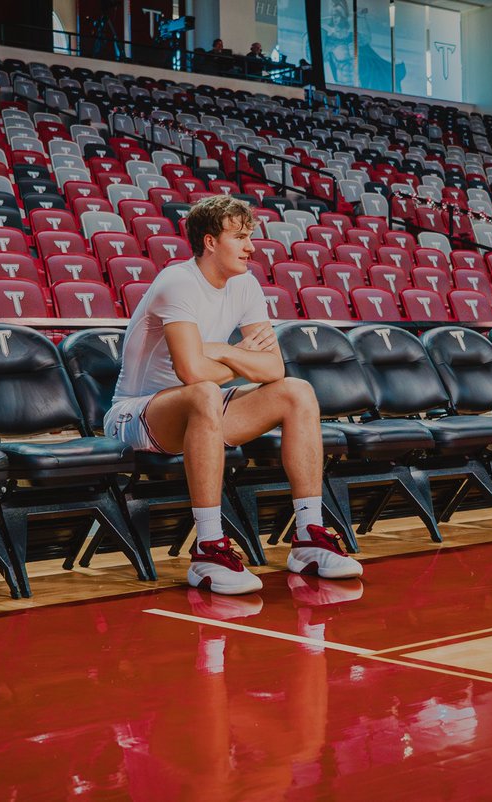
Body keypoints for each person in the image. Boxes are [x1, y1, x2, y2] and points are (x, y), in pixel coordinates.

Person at [104, 195, 362, 595]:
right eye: (239, 237)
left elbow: (274, 369)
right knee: (204, 390)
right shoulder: (178, 281)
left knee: (297, 392)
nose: (251, 246)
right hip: (135, 414)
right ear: (210, 242)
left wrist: (223, 351)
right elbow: (190, 371)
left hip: (200, 410)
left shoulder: (244, 284)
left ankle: (309, 536)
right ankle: (209, 548)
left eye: (250, 237)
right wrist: (243, 358)